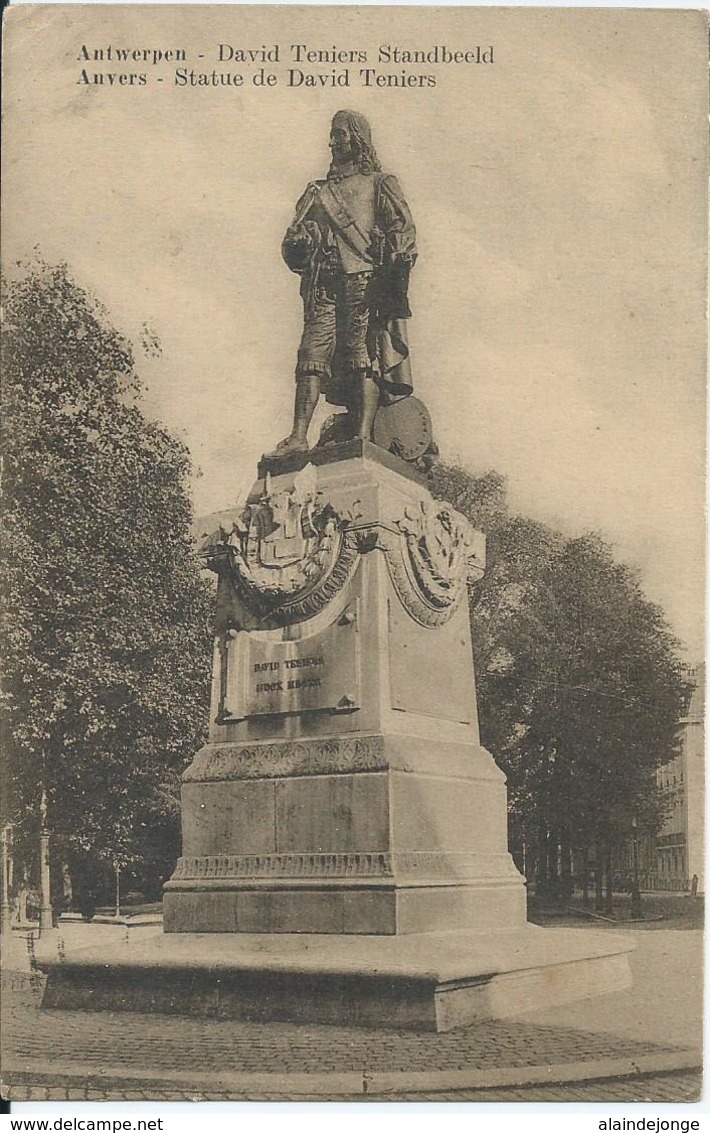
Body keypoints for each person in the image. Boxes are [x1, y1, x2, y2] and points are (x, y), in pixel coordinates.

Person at [265, 110, 417, 459]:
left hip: (364, 280)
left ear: (357, 140)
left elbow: (403, 230)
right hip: (324, 284)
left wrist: (396, 258)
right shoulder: (317, 193)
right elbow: (295, 245)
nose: (333, 142)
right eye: (332, 136)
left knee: (362, 357)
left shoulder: (380, 183)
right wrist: (299, 243)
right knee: (310, 356)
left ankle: (361, 436)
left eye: (340, 135)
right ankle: (298, 437)